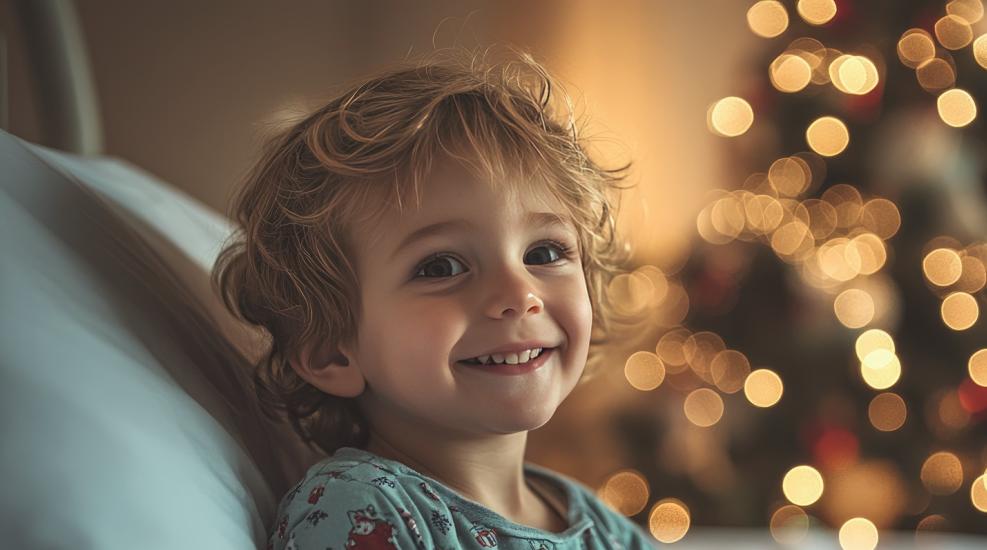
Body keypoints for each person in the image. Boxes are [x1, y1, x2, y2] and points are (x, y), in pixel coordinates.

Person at [212, 44, 653, 549]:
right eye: (441, 266)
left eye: (546, 252)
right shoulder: (360, 508)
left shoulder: (608, 529)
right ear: (331, 348)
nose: (519, 293)